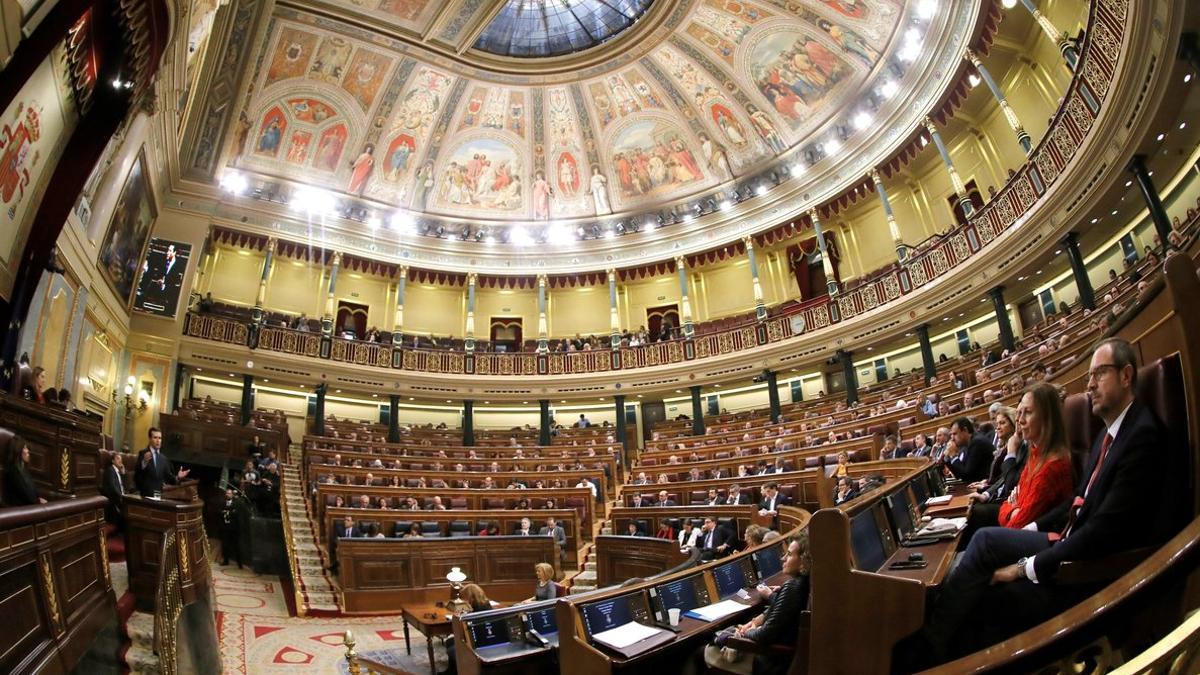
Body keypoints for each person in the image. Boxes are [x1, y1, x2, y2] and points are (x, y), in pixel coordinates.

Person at [902, 339, 1185, 666]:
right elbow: (1078, 501)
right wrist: (1035, 529)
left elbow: (1102, 533)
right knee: (983, 544)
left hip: (1086, 572)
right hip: (1066, 538)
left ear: (1126, 375)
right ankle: (932, 642)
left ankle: (930, 654)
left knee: (986, 580)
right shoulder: (1109, 435)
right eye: (1089, 375)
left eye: (1099, 374)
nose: (1089, 384)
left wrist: (1025, 567)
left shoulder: (1141, 436)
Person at [700, 533, 811, 675]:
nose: (783, 558)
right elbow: (782, 613)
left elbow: (764, 636)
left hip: (770, 661)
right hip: (779, 654)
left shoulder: (793, 587)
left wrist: (744, 632)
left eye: (789, 555)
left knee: (701, 652)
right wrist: (755, 622)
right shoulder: (803, 582)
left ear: (804, 561)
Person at [994, 384, 1074, 530]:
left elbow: (1016, 527)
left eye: (1028, 412)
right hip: (1022, 536)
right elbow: (1006, 504)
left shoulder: (1052, 466)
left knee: (982, 537)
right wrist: (1013, 510)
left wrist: (1014, 508)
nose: (1020, 420)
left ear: (1047, 418)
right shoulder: (1035, 455)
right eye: (1019, 413)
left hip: (1041, 544)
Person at [441, 584, 493, 674]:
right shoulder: (484, 605)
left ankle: (455, 671)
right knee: (449, 642)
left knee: (452, 649)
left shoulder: (478, 611)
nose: (463, 601)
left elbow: (469, 630)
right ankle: (451, 670)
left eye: (464, 598)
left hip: (478, 642)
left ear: (471, 597)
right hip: (476, 638)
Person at [134, 427, 189, 497]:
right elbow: (137, 475)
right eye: (155, 438)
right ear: (150, 439)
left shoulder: (164, 459)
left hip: (159, 497)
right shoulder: (143, 454)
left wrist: (178, 477)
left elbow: (169, 478)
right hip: (145, 496)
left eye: (160, 438)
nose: (158, 441)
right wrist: (144, 463)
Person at [942, 418, 992, 482]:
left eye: (955, 434)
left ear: (965, 430)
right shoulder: (966, 445)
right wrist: (948, 458)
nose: (952, 438)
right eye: (951, 434)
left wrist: (953, 455)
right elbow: (959, 475)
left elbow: (966, 476)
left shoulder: (977, 442)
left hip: (985, 485)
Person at [3, 436, 45, 505]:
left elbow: (34, 492)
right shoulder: (13, 471)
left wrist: (38, 499)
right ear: (18, 449)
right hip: (20, 510)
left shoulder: (23, 469)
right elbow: (29, 497)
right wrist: (38, 500)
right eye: (25, 448)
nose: (28, 451)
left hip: (28, 507)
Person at [101, 453, 127, 528]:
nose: (120, 461)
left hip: (121, 496)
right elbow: (112, 488)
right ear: (113, 461)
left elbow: (124, 486)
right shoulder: (110, 470)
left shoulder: (118, 471)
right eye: (118, 459)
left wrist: (123, 473)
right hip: (114, 498)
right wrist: (122, 496)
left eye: (121, 459)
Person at [220, 488, 242, 568]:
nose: (228, 495)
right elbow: (220, 512)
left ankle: (240, 563)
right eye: (227, 493)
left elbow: (236, 514)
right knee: (225, 545)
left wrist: (226, 512)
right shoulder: (222, 503)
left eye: (229, 493)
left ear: (232, 495)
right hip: (225, 528)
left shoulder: (236, 503)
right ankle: (226, 561)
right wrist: (229, 512)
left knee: (236, 546)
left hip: (234, 528)